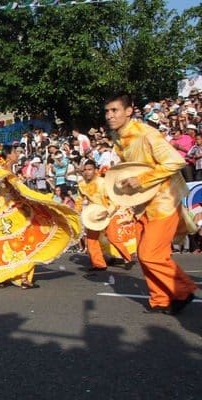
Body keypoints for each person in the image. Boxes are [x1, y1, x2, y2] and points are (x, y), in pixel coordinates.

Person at [105, 92, 197, 315]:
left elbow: (175, 161)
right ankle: (160, 299)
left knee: (150, 255)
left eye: (114, 110)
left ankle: (184, 289)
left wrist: (141, 179)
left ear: (129, 111)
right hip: (142, 202)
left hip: (164, 200)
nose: (109, 115)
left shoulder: (147, 134)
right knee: (148, 255)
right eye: (107, 111)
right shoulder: (117, 137)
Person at [0, 147, 81, 289]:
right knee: (15, 244)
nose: (18, 154)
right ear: (9, 155)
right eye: (15, 152)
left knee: (19, 243)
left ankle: (15, 277)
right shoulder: (4, 172)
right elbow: (14, 191)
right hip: (9, 212)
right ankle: (8, 277)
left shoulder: (5, 171)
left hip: (12, 210)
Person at [78, 160, 136, 273]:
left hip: (110, 212)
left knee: (113, 237)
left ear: (95, 170)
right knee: (91, 239)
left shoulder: (104, 183)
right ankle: (99, 264)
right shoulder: (81, 184)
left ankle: (127, 258)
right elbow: (80, 199)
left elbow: (115, 201)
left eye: (89, 169)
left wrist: (107, 212)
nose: (87, 172)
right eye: (84, 170)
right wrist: (78, 210)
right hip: (94, 214)